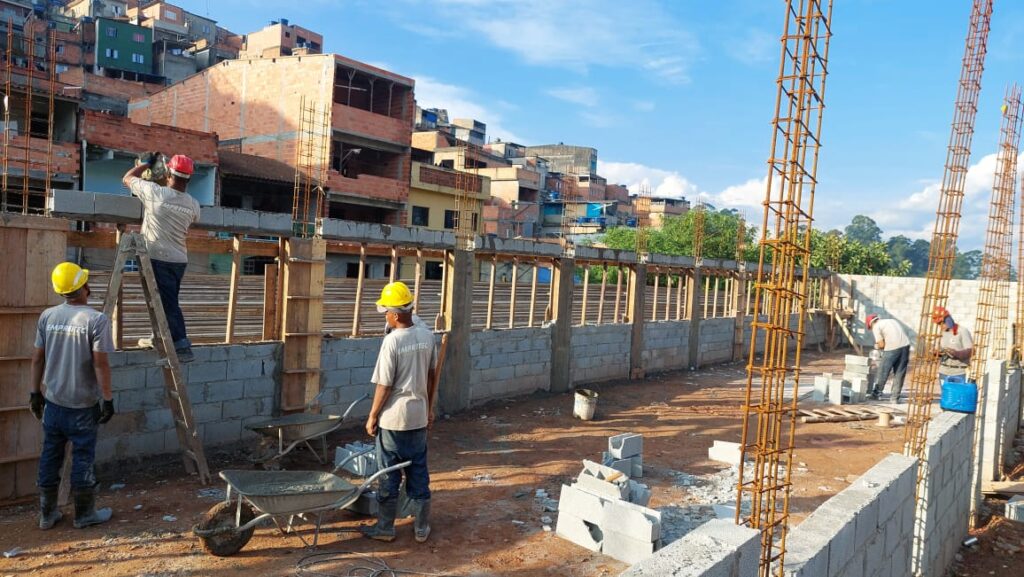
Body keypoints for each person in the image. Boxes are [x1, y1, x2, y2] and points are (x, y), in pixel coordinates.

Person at [31, 262, 115, 530]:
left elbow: (37, 359)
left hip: (53, 404)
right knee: (82, 457)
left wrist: (35, 393)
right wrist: (108, 399)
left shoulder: (48, 316)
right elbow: (100, 364)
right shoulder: (96, 320)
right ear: (84, 287)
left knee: (50, 456)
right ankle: (85, 514)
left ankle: (47, 515)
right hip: (82, 406)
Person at [362, 281, 437, 543]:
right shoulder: (427, 335)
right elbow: (431, 376)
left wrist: (372, 415)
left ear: (395, 314)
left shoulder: (392, 342)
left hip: (394, 420)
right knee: (418, 471)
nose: (385, 317)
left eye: (386, 313)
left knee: (388, 475)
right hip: (417, 416)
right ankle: (421, 528)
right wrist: (429, 408)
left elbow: (385, 384)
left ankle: (385, 528)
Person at [122, 153, 200, 362]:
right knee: (163, 301)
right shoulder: (193, 204)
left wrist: (145, 165)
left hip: (159, 257)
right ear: (189, 179)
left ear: (168, 173)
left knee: (168, 304)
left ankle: (182, 347)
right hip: (179, 260)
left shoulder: (154, 192)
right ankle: (158, 337)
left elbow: (127, 178)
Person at [866, 314, 911, 403]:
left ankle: (876, 394)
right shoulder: (892, 321)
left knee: (883, 370)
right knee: (899, 372)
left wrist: (877, 346)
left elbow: (882, 345)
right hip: (905, 346)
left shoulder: (876, 326)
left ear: (871, 324)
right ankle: (894, 398)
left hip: (892, 348)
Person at [933, 307, 973, 379]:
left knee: (959, 390)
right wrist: (937, 353)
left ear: (948, 320)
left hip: (959, 373)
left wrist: (956, 353)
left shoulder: (962, 331)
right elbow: (937, 349)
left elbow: (971, 351)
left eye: (942, 323)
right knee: (944, 391)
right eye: (938, 324)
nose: (940, 326)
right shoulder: (941, 333)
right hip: (943, 372)